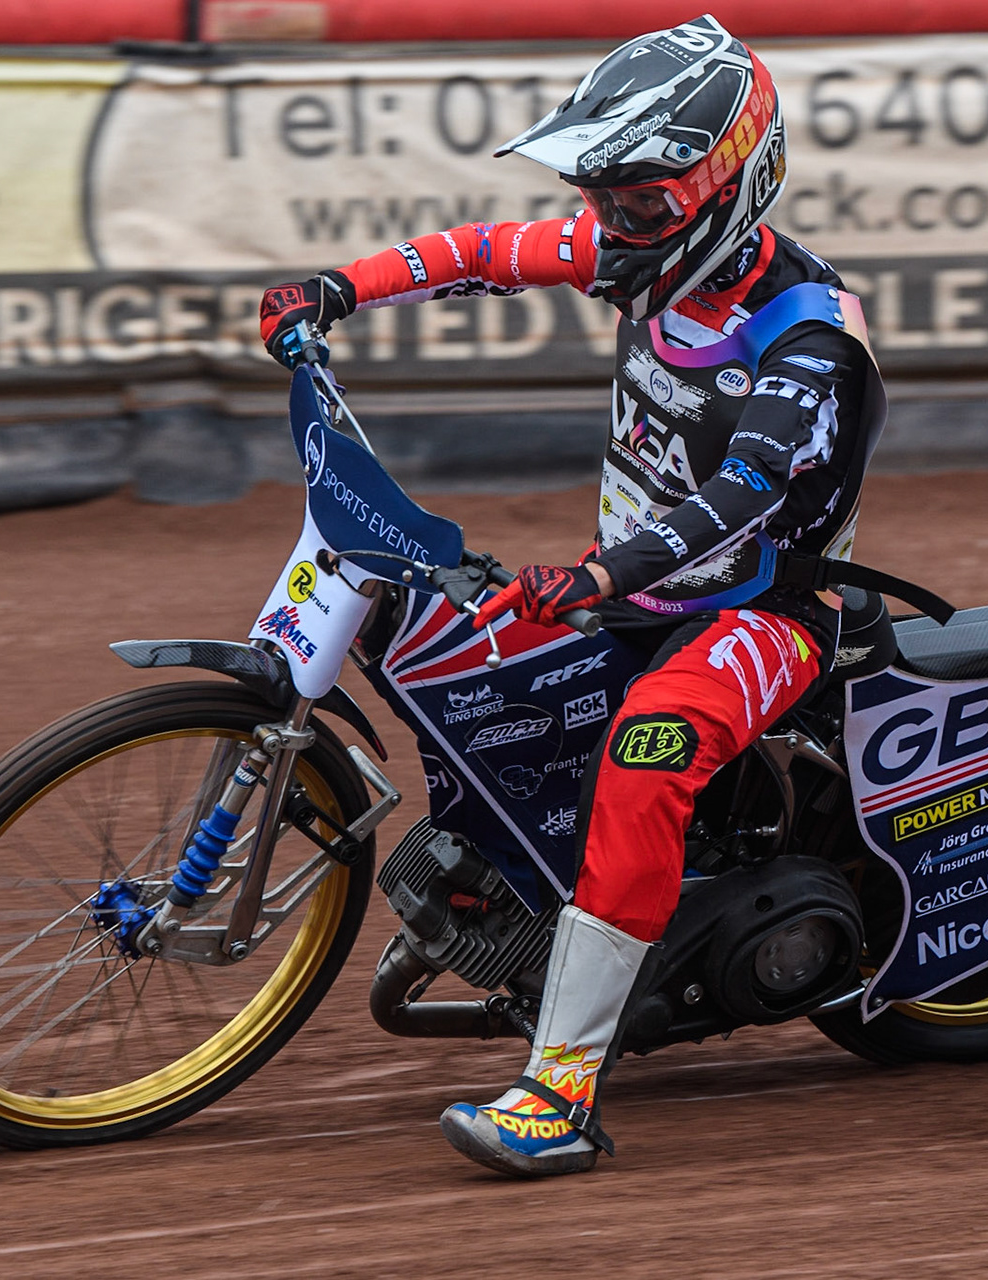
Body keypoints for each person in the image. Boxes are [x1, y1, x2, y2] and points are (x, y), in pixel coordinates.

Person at [259, 14, 885, 1177]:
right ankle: (514, 886)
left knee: (648, 752)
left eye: (641, 204)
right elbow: (485, 250)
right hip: (632, 593)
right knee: (438, 632)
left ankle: (562, 1091)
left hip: (762, 611)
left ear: (729, 185)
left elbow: (744, 496)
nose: (612, 228)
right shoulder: (639, 252)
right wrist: (335, 288)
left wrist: (595, 577)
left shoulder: (808, 337)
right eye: (608, 201)